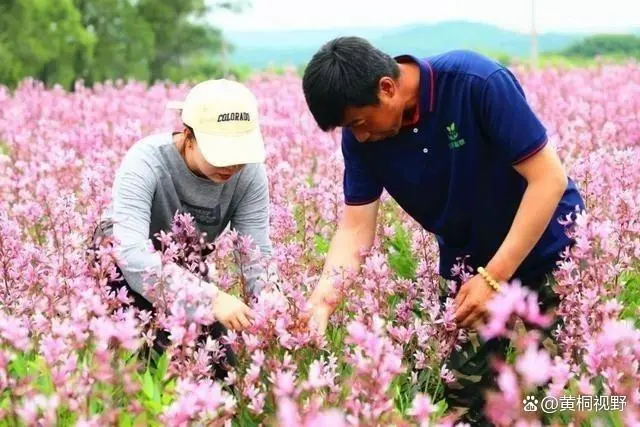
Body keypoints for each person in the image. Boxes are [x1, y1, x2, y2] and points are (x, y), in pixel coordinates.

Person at [301, 37, 585, 424]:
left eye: (360, 123)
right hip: (470, 264)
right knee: (464, 396)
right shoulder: (361, 140)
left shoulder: (476, 82)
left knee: (556, 398)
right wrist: (322, 301)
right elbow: (354, 230)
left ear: (387, 87)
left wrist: (494, 277)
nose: (360, 136)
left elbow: (548, 180)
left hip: (552, 250)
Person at [91, 79, 272, 379]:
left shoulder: (249, 173)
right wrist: (211, 299)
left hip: (185, 267)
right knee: (137, 366)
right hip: (122, 266)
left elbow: (255, 255)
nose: (233, 164)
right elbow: (131, 254)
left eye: (240, 153)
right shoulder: (145, 161)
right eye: (222, 153)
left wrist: (273, 309)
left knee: (219, 373)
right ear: (188, 136)